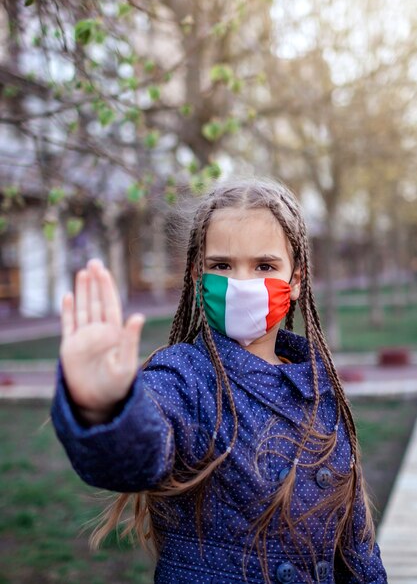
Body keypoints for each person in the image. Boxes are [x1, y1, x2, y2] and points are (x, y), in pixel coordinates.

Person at [51, 179, 387, 584]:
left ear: (295, 279)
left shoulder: (319, 387)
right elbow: (137, 454)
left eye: (264, 266)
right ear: (197, 275)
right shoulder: (185, 377)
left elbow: (355, 546)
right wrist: (106, 408)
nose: (241, 284)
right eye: (222, 265)